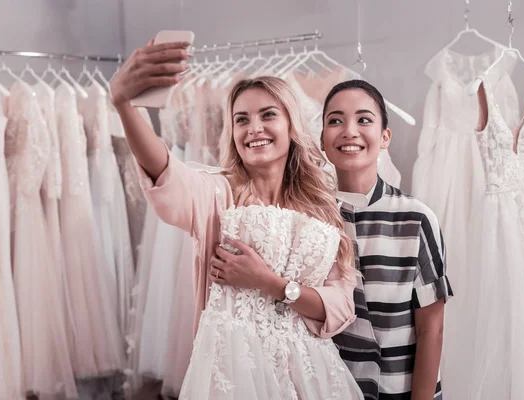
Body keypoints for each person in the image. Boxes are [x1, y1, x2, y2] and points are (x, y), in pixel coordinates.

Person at [109, 39, 363, 399]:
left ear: (291, 125)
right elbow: (164, 170)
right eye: (241, 120)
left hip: (312, 375)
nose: (253, 128)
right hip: (237, 370)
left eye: (267, 115)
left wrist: (271, 283)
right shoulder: (217, 194)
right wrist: (123, 105)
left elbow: (340, 307)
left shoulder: (322, 204)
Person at [320, 79, 453, 400]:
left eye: (363, 120)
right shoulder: (312, 218)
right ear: (322, 140)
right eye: (335, 120)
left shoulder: (416, 218)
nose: (349, 131)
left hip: (399, 390)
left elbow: (430, 329)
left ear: (385, 137)